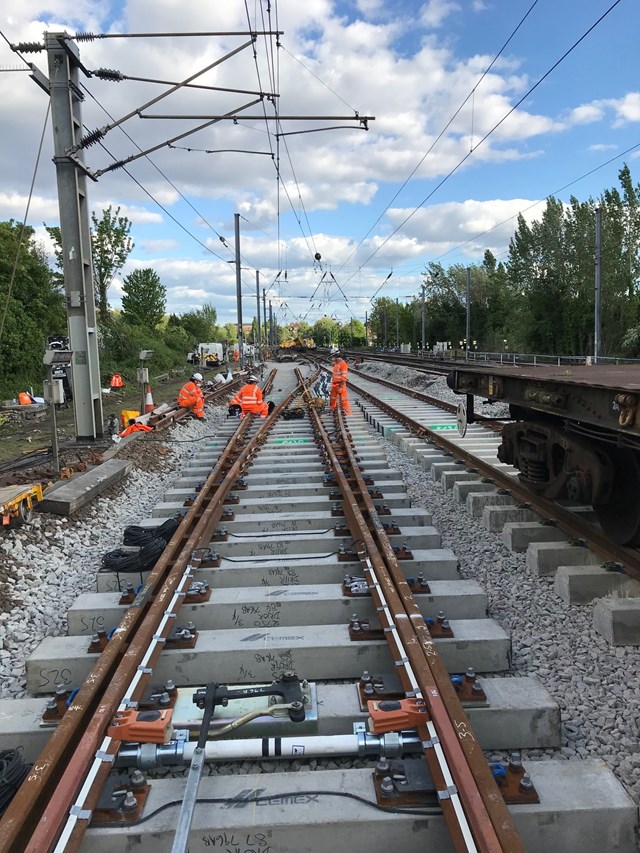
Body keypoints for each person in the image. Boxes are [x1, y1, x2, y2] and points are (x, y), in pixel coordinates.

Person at [330, 350, 352, 415]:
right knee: (332, 398)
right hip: (334, 385)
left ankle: (347, 412)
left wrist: (340, 386)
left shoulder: (343, 364)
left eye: (333, 356)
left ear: (337, 356)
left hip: (340, 385)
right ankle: (332, 409)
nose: (332, 358)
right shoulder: (336, 364)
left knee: (344, 399)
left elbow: (344, 377)